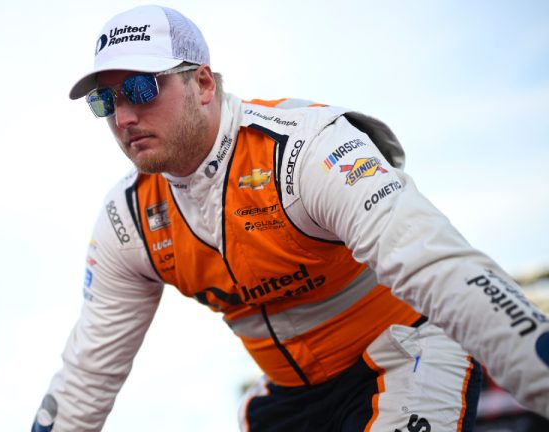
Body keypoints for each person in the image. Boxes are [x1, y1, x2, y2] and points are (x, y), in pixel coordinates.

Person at [32, 5, 549, 431]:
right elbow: (86, 378)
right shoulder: (128, 220)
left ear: (204, 85)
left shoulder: (304, 149)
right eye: (107, 100)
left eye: (143, 89)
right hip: (288, 397)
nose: (124, 117)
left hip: (405, 357)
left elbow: (439, 267)